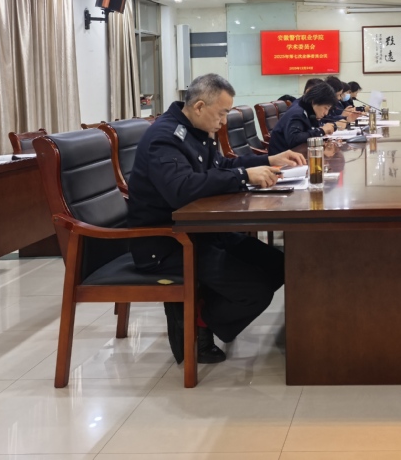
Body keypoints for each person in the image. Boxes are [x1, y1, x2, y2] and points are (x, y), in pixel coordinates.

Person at [127, 73, 306, 365]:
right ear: (200, 106)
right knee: (255, 292)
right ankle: (197, 324)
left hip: (202, 230)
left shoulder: (194, 130)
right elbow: (181, 189)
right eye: (221, 113)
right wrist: (244, 176)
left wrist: (267, 161)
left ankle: (203, 309)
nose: (223, 122)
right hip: (168, 241)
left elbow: (222, 165)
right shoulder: (165, 137)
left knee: (277, 264)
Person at [268, 80, 338, 153]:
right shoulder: (297, 113)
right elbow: (294, 139)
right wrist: (321, 131)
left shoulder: (308, 110)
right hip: (281, 157)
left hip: (296, 153)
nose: (326, 113)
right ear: (314, 101)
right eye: (325, 108)